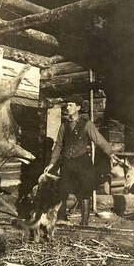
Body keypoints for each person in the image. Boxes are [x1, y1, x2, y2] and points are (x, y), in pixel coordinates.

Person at [43, 96, 118, 225]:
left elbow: (99, 140)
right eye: (66, 105)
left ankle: (84, 223)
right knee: (62, 190)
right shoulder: (64, 126)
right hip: (67, 162)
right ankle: (62, 219)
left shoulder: (87, 124)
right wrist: (52, 163)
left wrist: (110, 153)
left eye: (70, 105)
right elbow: (58, 146)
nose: (67, 108)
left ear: (78, 107)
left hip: (83, 162)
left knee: (85, 191)